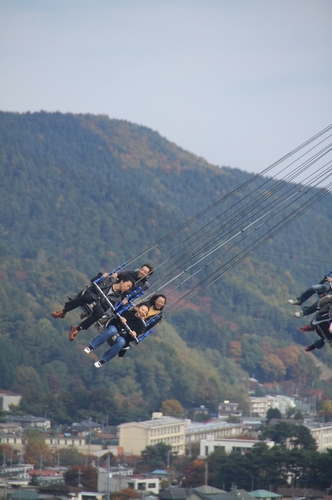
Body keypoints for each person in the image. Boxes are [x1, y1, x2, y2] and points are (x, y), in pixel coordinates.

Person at [50, 272, 135, 341]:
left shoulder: (118, 298)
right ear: (122, 281)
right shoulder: (109, 280)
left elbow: (113, 310)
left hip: (99, 305)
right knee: (86, 297)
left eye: (129, 288)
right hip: (93, 295)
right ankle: (63, 311)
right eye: (127, 285)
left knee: (99, 313)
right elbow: (93, 281)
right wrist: (101, 276)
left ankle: (77, 328)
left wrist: (122, 305)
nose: (127, 288)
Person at [84, 302, 150, 367]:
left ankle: (103, 360)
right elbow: (115, 317)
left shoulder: (140, 325)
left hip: (124, 336)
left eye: (145, 312)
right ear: (137, 308)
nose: (142, 312)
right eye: (142, 310)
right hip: (116, 327)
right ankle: (92, 346)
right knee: (111, 331)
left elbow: (133, 338)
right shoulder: (128, 313)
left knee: (121, 342)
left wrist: (134, 335)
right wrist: (121, 319)